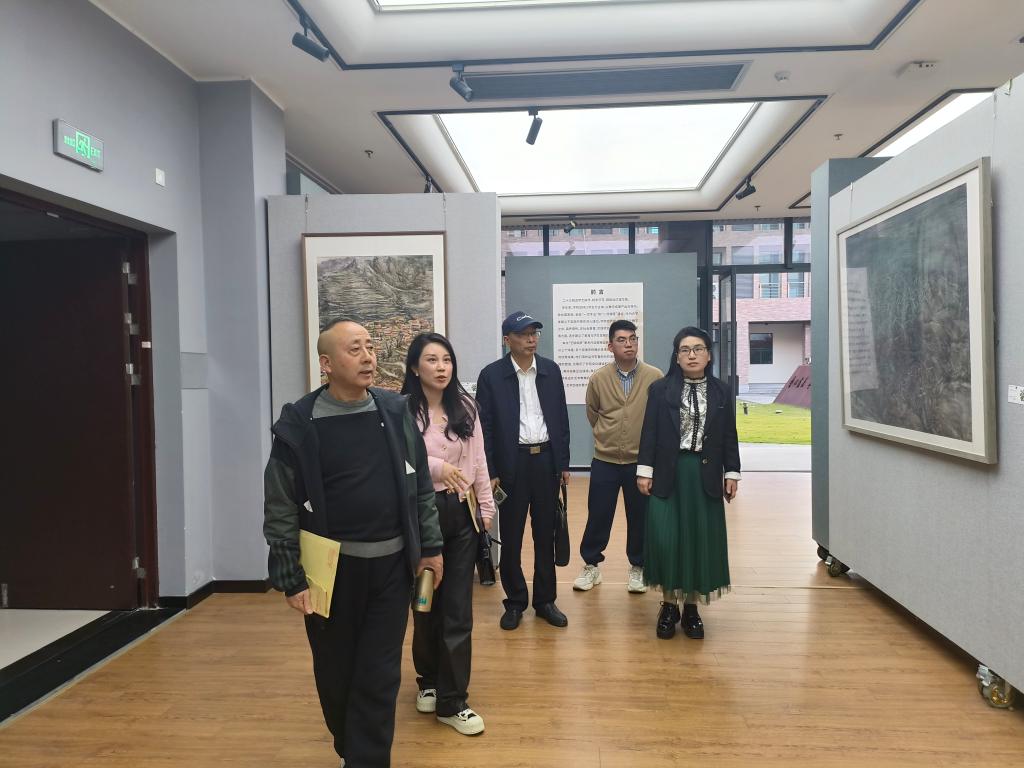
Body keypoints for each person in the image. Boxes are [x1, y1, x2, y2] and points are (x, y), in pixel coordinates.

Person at [263, 318, 443, 768]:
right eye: (354, 349)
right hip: (329, 575)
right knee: (336, 674)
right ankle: (353, 750)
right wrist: (289, 576)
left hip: (391, 569)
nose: (368, 357)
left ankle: (366, 760)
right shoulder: (299, 423)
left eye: (370, 347)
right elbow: (280, 504)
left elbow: (421, 486)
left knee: (380, 674)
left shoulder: (394, 412)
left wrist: (431, 548)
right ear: (326, 363)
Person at [401, 332, 495, 736]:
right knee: (425, 603)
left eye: (447, 360)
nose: (441, 367)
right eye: (432, 360)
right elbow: (402, 461)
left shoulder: (465, 406)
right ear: (414, 367)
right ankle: (428, 679)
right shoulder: (402, 411)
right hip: (421, 515)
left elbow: (479, 460)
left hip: (460, 513)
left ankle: (453, 700)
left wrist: (486, 506)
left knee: (457, 608)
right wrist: (438, 467)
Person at [636, 326, 741, 641]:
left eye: (698, 349)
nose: (692, 355)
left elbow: (729, 435)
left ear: (709, 355)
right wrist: (644, 470)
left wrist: (732, 473)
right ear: (676, 356)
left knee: (698, 540)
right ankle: (669, 605)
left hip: (703, 475)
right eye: (685, 350)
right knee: (666, 538)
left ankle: (692, 607)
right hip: (669, 473)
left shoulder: (721, 391)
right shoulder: (660, 390)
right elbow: (650, 432)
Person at [476, 310, 571, 630]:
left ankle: (545, 601)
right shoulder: (491, 376)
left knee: (545, 534)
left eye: (534, 333)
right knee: (512, 536)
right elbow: (485, 428)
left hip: (545, 461)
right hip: (511, 464)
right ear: (508, 340)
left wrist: (563, 462)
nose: (531, 339)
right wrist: (490, 470)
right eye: (523, 334)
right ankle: (515, 601)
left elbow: (561, 419)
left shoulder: (550, 370)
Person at [574, 320, 663, 594]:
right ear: (610, 346)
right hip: (605, 460)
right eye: (622, 340)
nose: (629, 344)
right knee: (598, 515)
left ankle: (638, 567)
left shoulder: (654, 376)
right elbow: (593, 413)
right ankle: (591, 565)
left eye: (633, 339)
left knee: (639, 517)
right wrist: (608, 435)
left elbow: (660, 417)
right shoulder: (599, 378)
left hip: (640, 462)